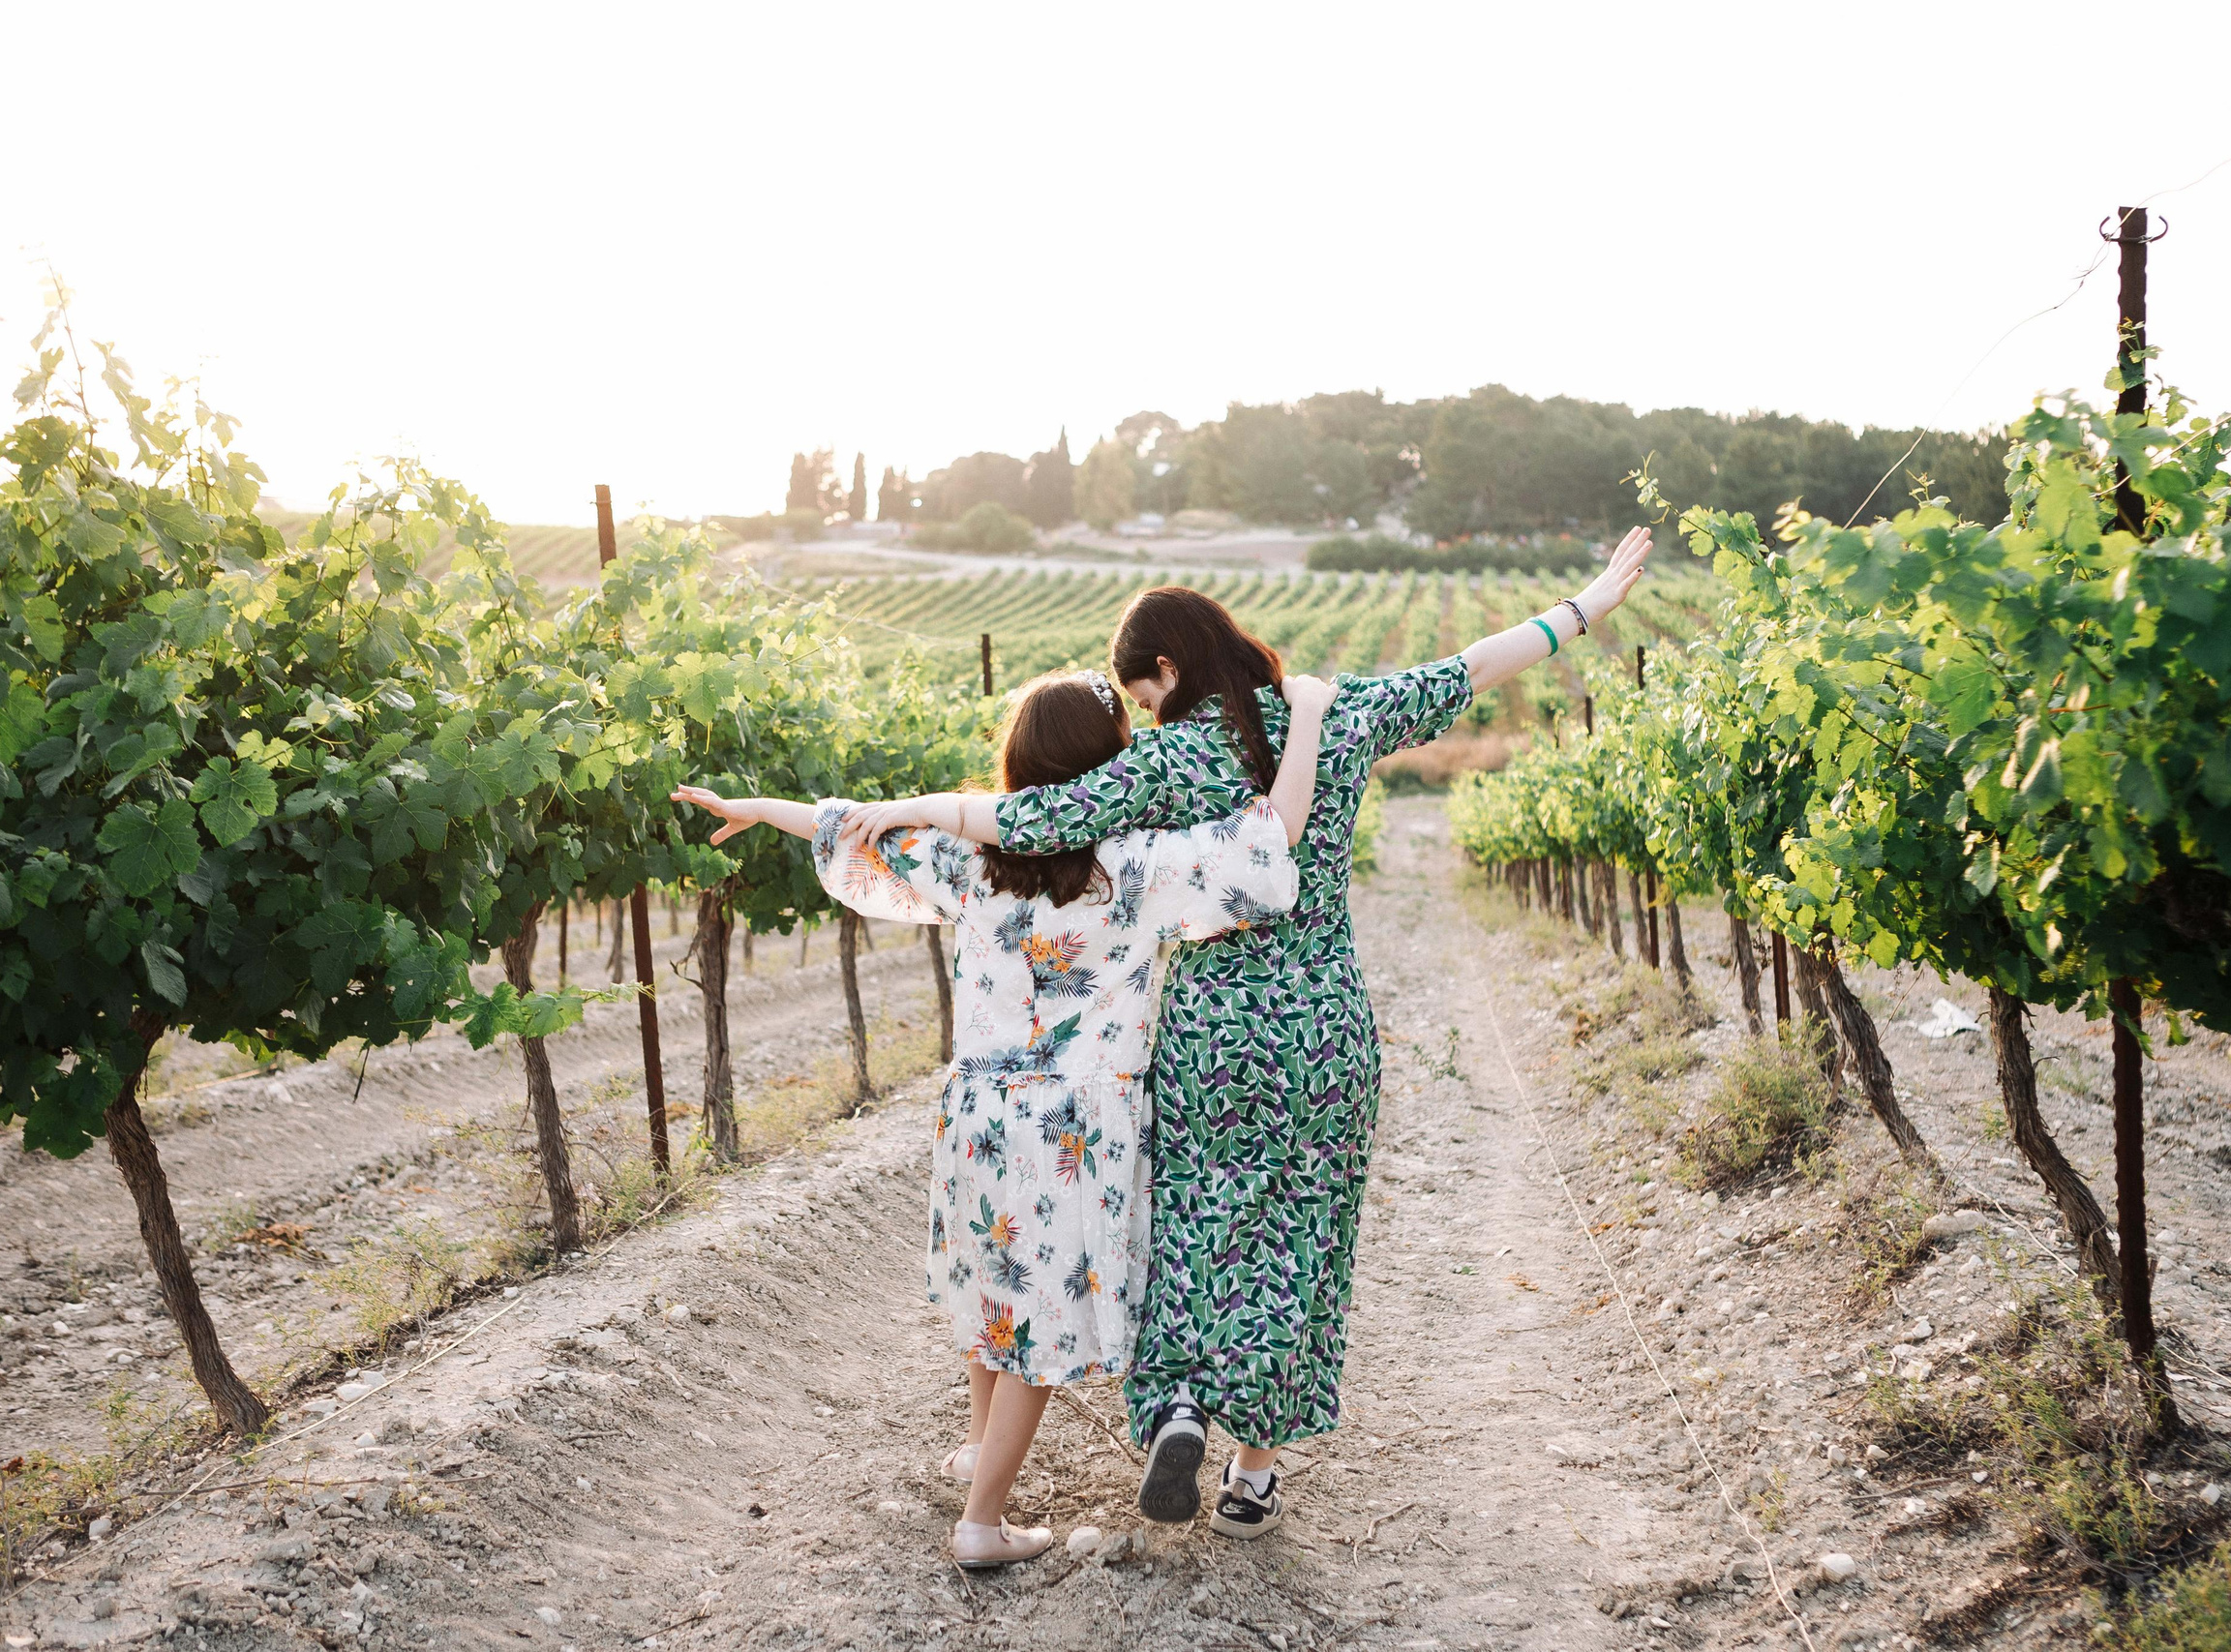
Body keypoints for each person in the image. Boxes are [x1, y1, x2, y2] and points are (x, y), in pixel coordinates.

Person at [835, 528, 1652, 1541]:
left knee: (1192, 1223)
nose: (1143, 712)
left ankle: (1179, 1399)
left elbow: (1039, 818)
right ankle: (1254, 1473)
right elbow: (1472, 667)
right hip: (1322, 1023)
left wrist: (899, 810)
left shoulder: (1169, 757)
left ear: (1167, 670)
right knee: (1305, 1230)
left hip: (1212, 1029)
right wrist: (1582, 608)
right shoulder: (1336, 710)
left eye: (1141, 695)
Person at [672, 667, 1341, 1569]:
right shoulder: (1136, 866)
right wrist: (1305, 720)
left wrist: (754, 804)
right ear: (1106, 768)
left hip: (980, 1106)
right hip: (1078, 1122)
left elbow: (850, 821)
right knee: (1038, 1323)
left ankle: (977, 1449)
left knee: (995, 1287)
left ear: (1018, 760)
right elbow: (1272, 842)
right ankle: (982, 1519)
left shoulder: (970, 857)